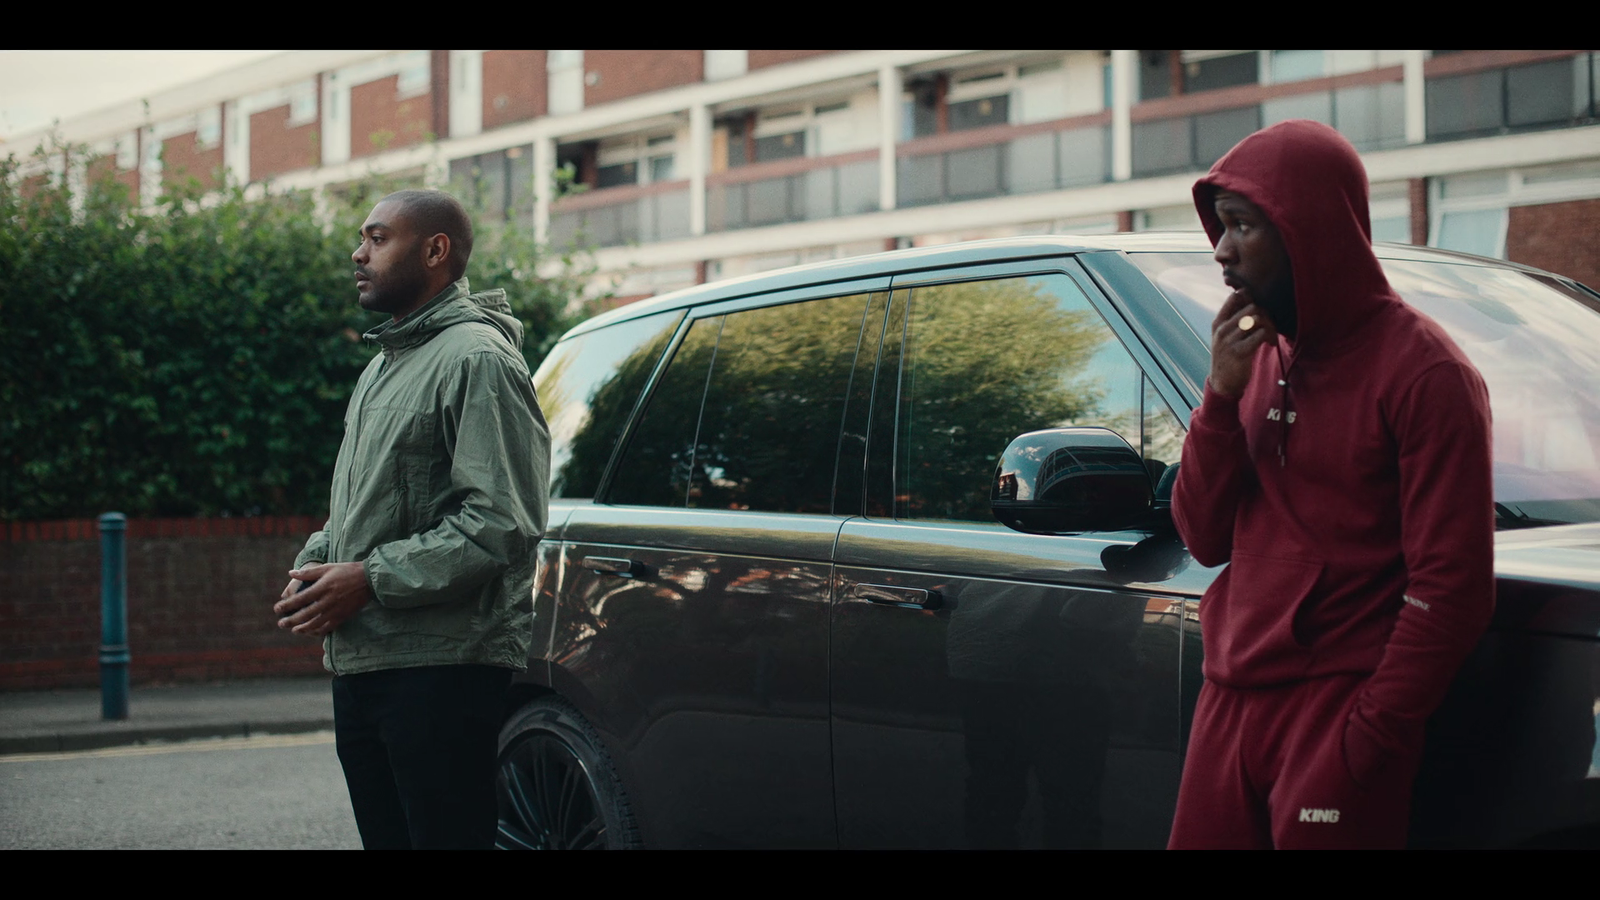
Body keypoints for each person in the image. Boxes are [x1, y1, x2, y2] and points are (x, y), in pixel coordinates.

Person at [1166, 120, 1494, 849]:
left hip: (1336, 714)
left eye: (1242, 226)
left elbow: (1453, 586)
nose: (1220, 251)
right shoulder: (1251, 357)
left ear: (1307, 230)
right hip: (1228, 703)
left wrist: (1368, 737)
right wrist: (1220, 396)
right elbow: (1203, 536)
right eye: (1220, 227)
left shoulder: (1427, 373)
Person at [272, 189, 550, 850]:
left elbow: (500, 523)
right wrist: (318, 564)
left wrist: (366, 578)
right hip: (367, 659)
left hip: (442, 667)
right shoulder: (380, 370)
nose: (357, 253)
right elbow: (367, 507)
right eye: (362, 238)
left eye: (377, 238)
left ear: (435, 251)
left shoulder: (476, 359)